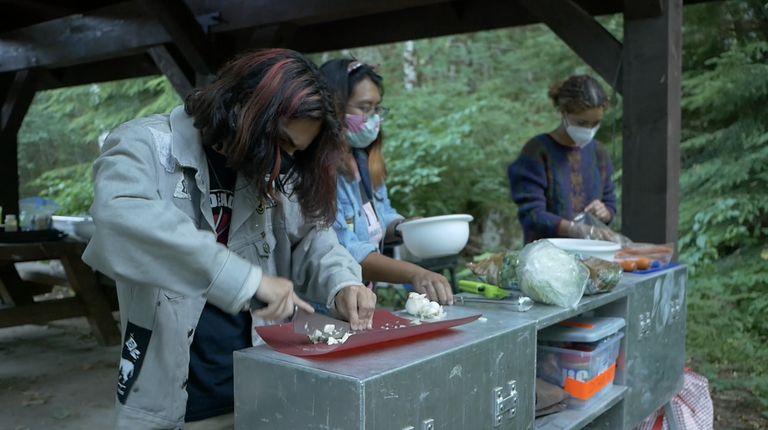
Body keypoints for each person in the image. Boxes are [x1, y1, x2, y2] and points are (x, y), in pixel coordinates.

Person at [82, 49, 376, 430]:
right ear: (244, 110)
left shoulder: (269, 168)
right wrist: (247, 281)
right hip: (173, 395)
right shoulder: (145, 146)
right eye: (283, 144)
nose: (284, 162)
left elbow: (312, 238)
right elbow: (122, 224)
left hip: (259, 386)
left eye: (295, 153)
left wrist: (343, 282)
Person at [319, 58, 454, 305]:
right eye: (364, 108)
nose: (373, 119)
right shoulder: (320, 173)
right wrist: (415, 274)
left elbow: (381, 215)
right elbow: (344, 250)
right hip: (327, 306)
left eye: (377, 108)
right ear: (334, 107)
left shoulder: (364, 159)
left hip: (364, 296)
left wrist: (406, 227)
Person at [508, 74, 618, 244]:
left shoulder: (599, 152)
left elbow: (610, 201)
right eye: (582, 123)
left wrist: (605, 212)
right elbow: (532, 215)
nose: (589, 129)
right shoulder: (537, 151)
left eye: (596, 123)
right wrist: (575, 229)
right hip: (545, 258)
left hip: (591, 257)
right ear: (563, 112)